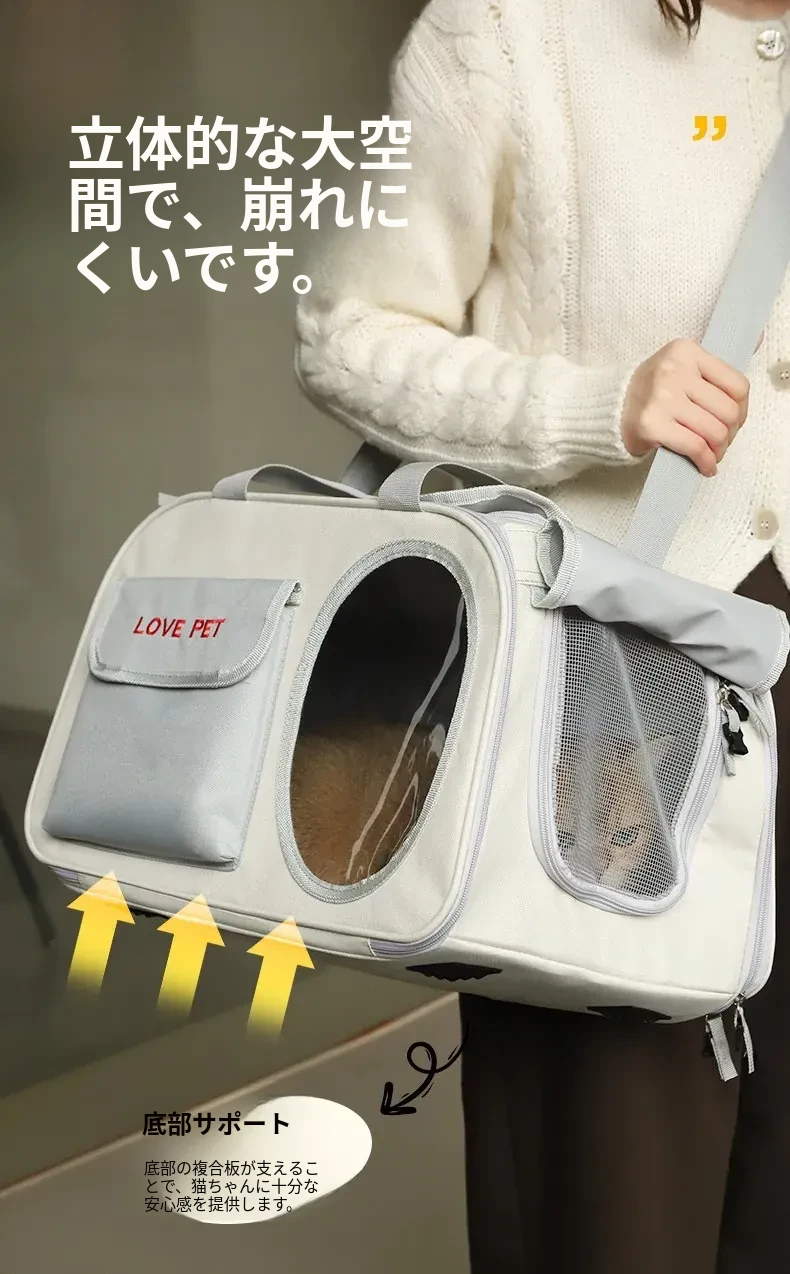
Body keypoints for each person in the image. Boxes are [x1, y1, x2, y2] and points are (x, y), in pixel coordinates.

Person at [294, 1, 790, 1270]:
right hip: (616, 686)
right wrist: (592, 407)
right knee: (613, 1194)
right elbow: (345, 331)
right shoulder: (505, 33)